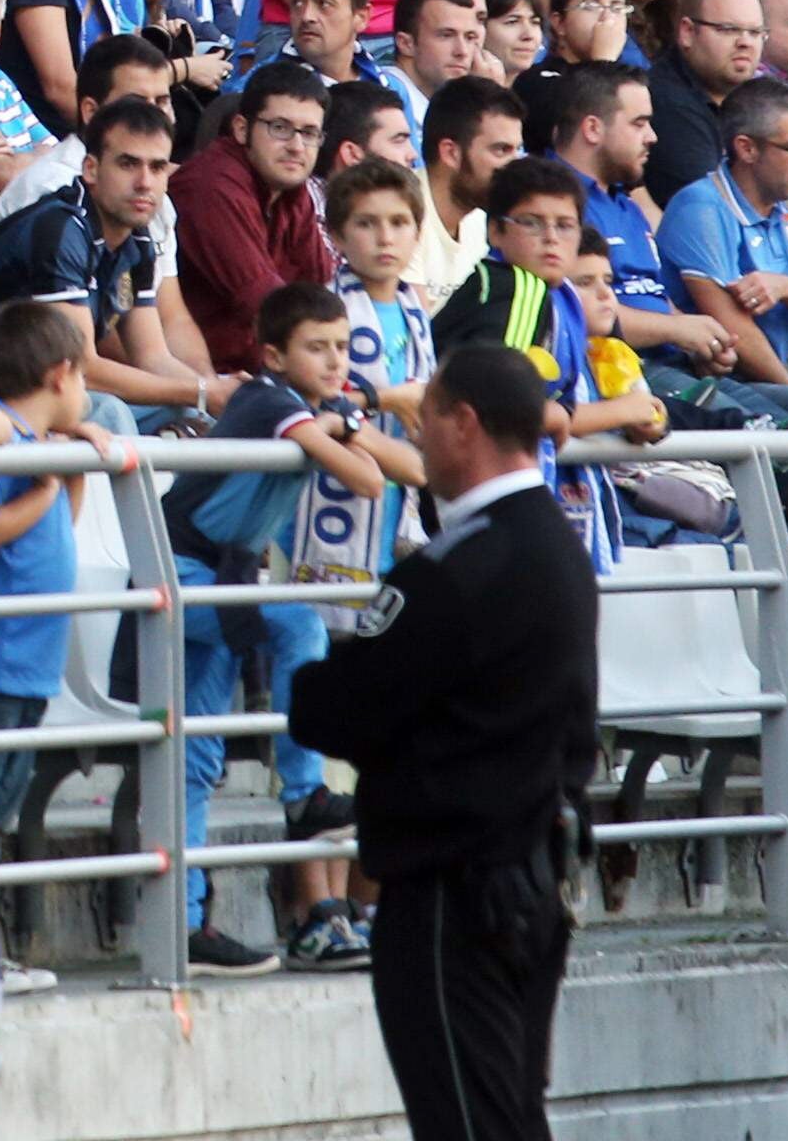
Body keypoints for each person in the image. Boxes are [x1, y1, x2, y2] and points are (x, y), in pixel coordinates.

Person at [285, 341, 599, 1141]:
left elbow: (335, 711)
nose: (418, 438)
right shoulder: (558, 545)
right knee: (510, 1111)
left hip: (455, 889)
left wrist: (320, 680)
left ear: (464, 424)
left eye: (426, 420)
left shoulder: (463, 564)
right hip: (536, 874)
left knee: (464, 1119)